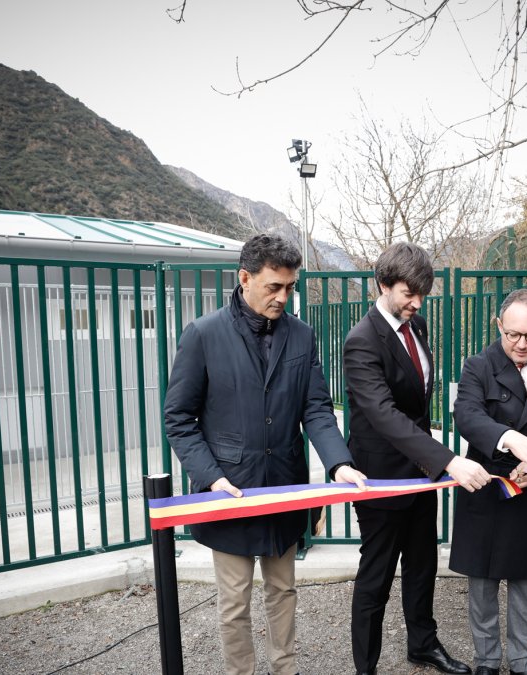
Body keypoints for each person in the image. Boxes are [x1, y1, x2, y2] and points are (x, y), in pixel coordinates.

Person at [163, 233, 367, 675]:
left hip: (284, 488)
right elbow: (178, 418)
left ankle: (284, 669)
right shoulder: (203, 334)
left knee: (283, 591)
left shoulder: (302, 335)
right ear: (245, 278)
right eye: (274, 286)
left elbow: (316, 409)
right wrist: (211, 477)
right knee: (235, 601)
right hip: (228, 492)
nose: (283, 297)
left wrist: (339, 463)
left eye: (290, 287)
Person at [344, 241, 492, 675]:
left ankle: (423, 645)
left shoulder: (417, 326)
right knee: (376, 576)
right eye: (409, 294)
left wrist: (432, 463)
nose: (417, 303)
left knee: (423, 564)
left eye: (423, 294)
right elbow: (384, 415)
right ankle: (365, 666)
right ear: (384, 284)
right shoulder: (361, 341)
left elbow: (416, 405)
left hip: (421, 473)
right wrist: (448, 460)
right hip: (382, 477)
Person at [450, 289, 527, 675]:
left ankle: (523, 662)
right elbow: (467, 415)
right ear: (499, 326)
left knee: (526, 582)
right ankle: (487, 660)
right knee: (482, 583)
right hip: (486, 486)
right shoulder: (478, 366)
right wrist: (510, 439)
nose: (522, 344)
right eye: (513, 334)